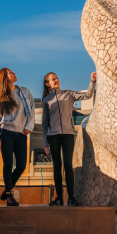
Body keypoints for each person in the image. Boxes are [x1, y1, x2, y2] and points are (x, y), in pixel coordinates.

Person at [42, 71, 96, 206]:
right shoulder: (46, 100)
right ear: (48, 84)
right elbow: (44, 124)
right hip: (53, 136)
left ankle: (71, 197)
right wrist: (45, 143)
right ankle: (59, 198)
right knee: (57, 167)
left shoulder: (68, 94)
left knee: (68, 166)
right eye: (53, 79)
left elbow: (88, 95)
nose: (57, 80)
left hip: (68, 135)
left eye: (57, 78)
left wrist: (92, 82)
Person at [0, 67, 34, 207]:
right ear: (4, 78)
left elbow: (31, 110)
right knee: (8, 164)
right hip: (6, 133)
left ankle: (7, 190)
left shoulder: (25, 92)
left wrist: (28, 127)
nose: (14, 73)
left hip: (21, 134)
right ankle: (10, 195)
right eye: (10, 72)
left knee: (21, 165)